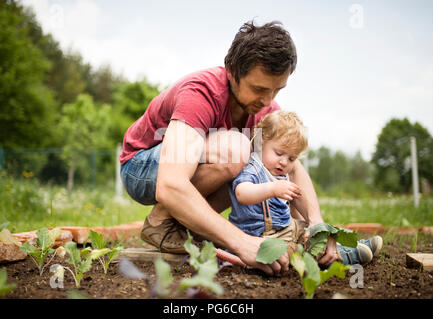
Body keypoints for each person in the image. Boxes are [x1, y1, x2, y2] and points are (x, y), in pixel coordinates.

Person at [120, 20, 337, 276]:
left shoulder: (263, 108)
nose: (268, 101)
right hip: (141, 166)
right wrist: (241, 242)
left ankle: (183, 229)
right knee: (236, 149)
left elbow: (291, 167)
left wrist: (316, 223)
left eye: (277, 90)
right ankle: (161, 222)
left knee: (266, 157)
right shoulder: (201, 94)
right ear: (232, 72)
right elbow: (170, 184)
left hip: (186, 170)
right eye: (259, 89)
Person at [228, 110, 383, 266]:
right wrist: (272, 189)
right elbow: (242, 193)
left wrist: (313, 227)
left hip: (287, 229)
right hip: (261, 237)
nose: (284, 162)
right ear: (261, 143)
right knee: (294, 251)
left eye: (291, 158)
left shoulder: (279, 172)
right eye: (279, 153)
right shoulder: (253, 168)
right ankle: (339, 256)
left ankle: (341, 247)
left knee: (314, 235)